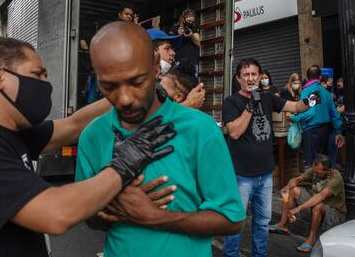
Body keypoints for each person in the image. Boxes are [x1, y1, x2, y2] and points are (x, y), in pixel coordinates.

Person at [0, 37, 177, 256]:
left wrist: (131, 93)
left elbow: (74, 125)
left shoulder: (13, 132)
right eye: (37, 74)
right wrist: (124, 164)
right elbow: (55, 213)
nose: (45, 84)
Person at [76, 21, 245, 257]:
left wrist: (157, 217)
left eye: (136, 82)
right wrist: (108, 198)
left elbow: (231, 219)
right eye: (109, 85)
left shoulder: (200, 129)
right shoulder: (92, 137)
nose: (124, 98)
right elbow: (91, 219)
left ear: (157, 68)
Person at [222, 58, 321, 257]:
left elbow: (294, 107)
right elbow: (234, 132)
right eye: (246, 75)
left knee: (262, 221)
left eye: (254, 75)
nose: (250, 78)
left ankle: (260, 254)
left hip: (265, 174)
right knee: (236, 221)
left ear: (259, 77)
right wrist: (251, 105)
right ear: (239, 78)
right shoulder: (231, 102)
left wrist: (310, 101)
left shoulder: (268, 97)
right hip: (241, 176)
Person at [269, 154, 346, 253]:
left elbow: (320, 196)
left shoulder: (336, 178)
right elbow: (297, 179)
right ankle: (283, 224)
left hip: (334, 214)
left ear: (328, 171)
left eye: (319, 173)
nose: (315, 173)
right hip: (315, 206)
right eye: (314, 171)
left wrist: (298, 208)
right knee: (293, 191)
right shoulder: (314, 170)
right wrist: (287, 188)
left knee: (318, 205)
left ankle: (311, 239)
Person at [292, 65, 344, 169]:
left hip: (312, 133)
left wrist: (294, 117)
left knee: (313, 165)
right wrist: (338, 131)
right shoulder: (326, 92)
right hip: (326, 131)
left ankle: (316, 184)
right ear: (320, 77)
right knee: (325, 164)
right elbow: (334, 114)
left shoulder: (308, 91)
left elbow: (309, 112)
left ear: (307, 77)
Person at [147, 28, 206, 109]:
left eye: (172, 49)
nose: (173, 53)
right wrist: (188, 104)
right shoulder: (138, 81)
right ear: (151, 51)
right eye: (167, 48)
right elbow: (152, 116)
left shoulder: (160, 80)